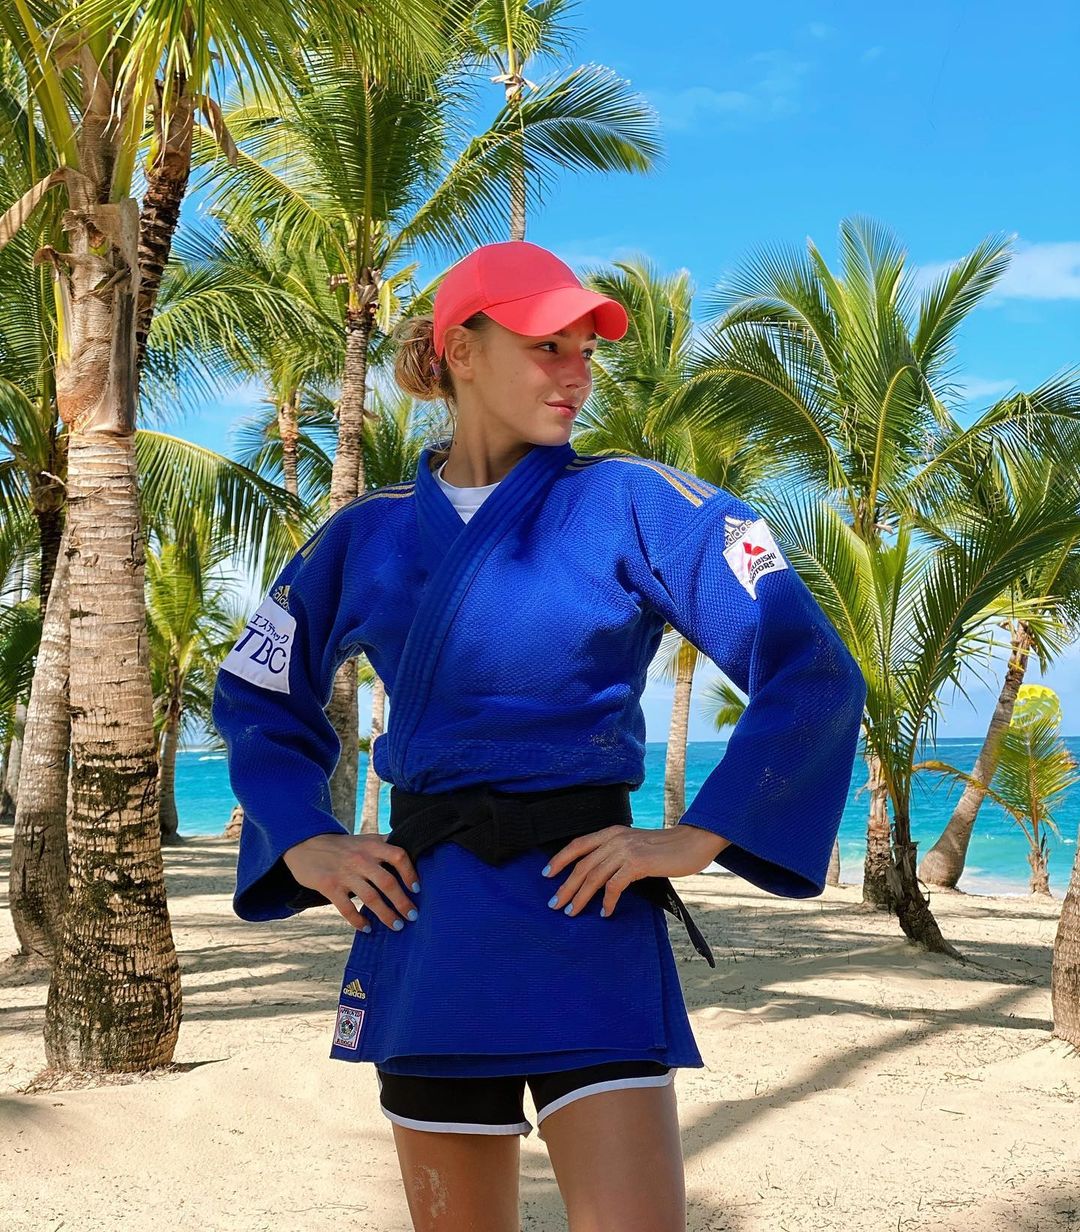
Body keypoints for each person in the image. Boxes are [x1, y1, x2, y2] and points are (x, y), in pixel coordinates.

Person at [211, 240, 867, 1232]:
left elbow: (811, 667)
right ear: (461, 351)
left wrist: (699, 834)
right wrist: (304, 837)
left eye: (585, 351)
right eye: (547, 346)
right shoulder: (365, 533)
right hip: (429, 918)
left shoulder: (644, 504)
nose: (577, 375)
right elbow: (259, 689)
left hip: (586, 909)